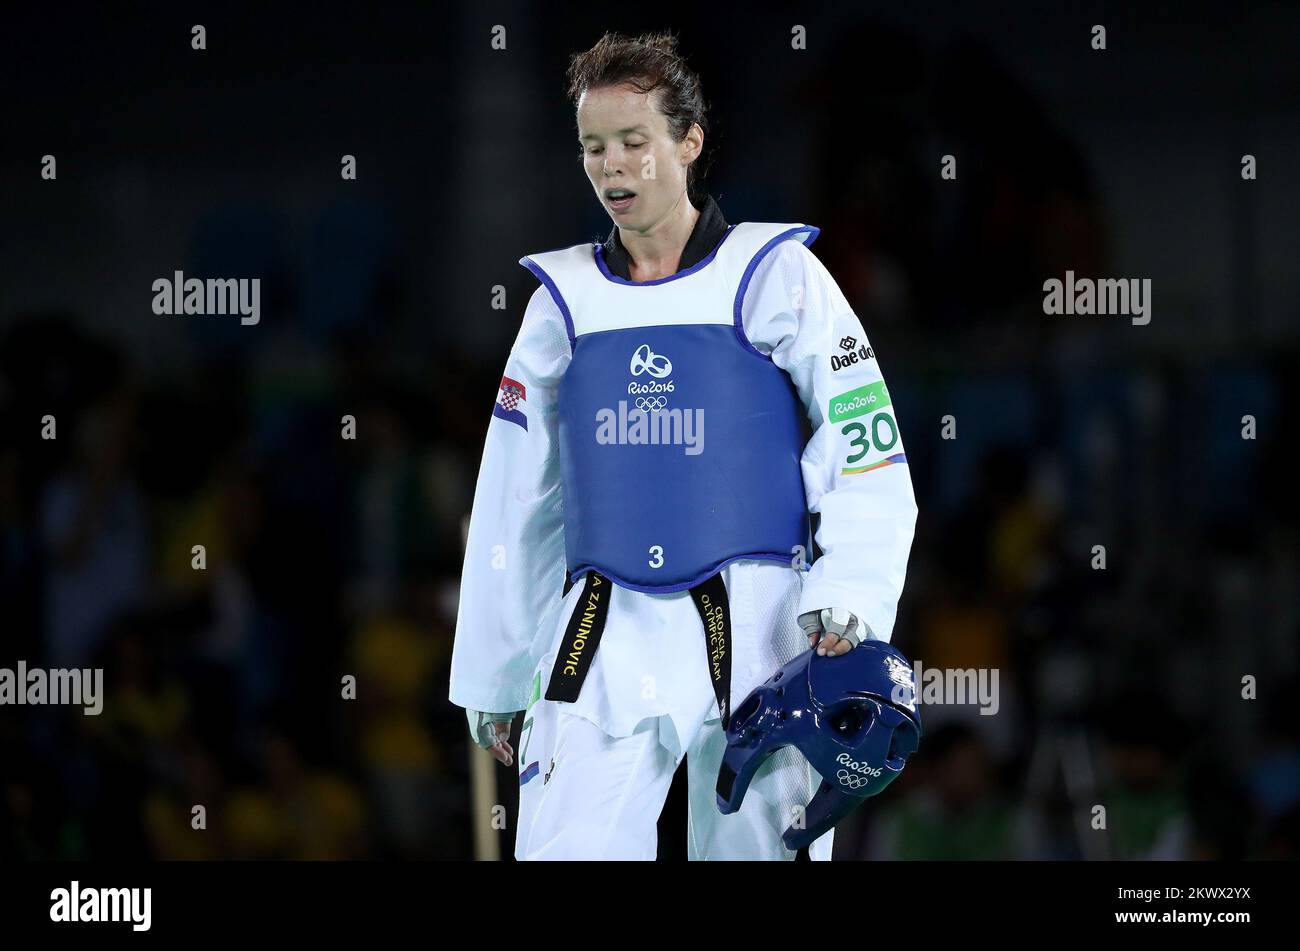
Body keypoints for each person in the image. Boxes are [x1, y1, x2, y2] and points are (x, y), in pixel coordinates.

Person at [449, 31, 918, 860]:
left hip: (763, 620)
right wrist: (496, 666)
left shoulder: (774, 272)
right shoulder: (562, 302)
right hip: (600, 627)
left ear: (688, 142)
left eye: (635, 142)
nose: (613, 167)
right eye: (595, 148)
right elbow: (514, 494)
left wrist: (851, 590)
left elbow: (866, 438)